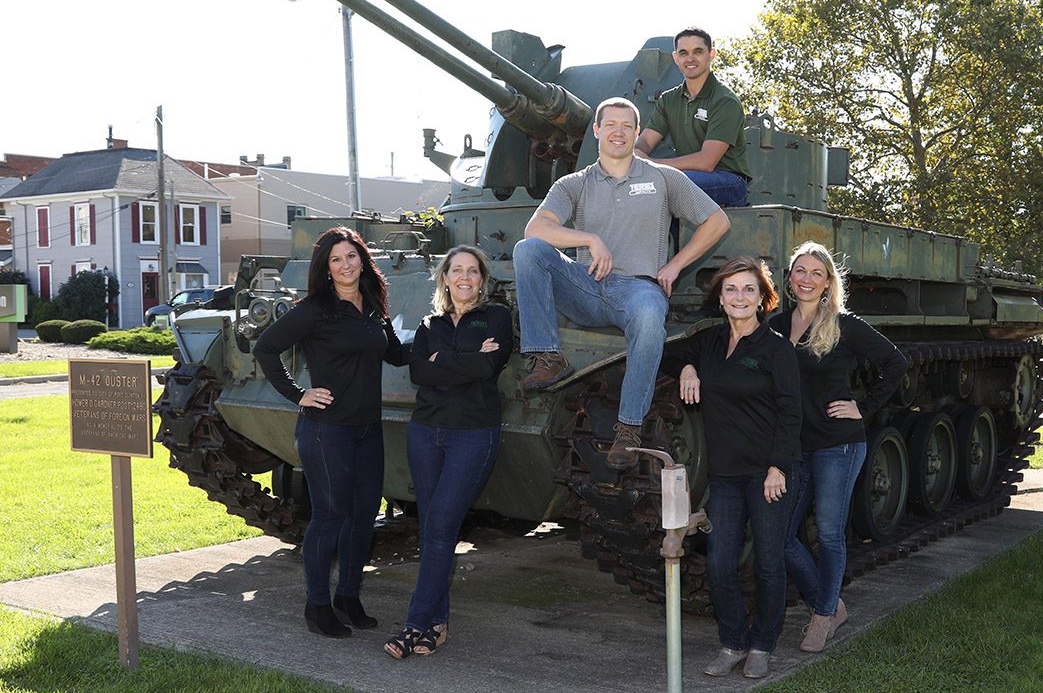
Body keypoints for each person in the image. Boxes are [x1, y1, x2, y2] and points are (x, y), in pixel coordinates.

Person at [514, 96, 730, 470]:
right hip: (587, 285)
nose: (618, 132)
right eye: (610, 125)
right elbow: (537, 229)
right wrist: (589, 239)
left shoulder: (662, 178)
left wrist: (675, 265)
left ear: (636, 133)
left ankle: (628, 429)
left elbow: (717, 221)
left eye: (626, 126)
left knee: (649, 318)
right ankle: (548, 356)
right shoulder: (574, 184)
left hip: (638, 289)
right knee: (528, 249)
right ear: (597, 131)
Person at [253, 226, 406, 639]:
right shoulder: (315, 310)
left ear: (363, 260)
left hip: (366, 429)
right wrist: (298, 394)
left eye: (351, 256)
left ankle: (349, 597)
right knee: (330, 518)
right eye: (336, 259)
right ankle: (317, 606)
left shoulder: (373, 305)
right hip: (326, 431)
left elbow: (395, 353)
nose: (345, 265)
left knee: (362, 517)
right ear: (325, 267)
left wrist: (445, 336)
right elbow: (264, 347)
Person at [663, 257, 801, 680]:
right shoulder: (709, 342)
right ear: (720, 299)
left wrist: (778, 467)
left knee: (768, 562)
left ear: (762, 299)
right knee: (720, 563)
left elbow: (791, 413)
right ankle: (733, 641)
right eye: (731, 290)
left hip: (767, 473)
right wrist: (687, 368)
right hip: (724, 475)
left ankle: (762, 645)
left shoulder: (776, 349)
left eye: (748, 290)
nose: (739, 297)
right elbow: (673, 353)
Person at [772, 242, 908, 653]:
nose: (807, 279)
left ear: (829, 282)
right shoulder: (776, 325)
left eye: (816, 272)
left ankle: (823, 617)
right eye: (800, 270)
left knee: (829, 533)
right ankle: (828, 603)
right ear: (790, 277)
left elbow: (895, 362)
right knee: (779, 535)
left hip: (837, 444)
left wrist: (862, 408)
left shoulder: (844, 325)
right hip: (794, 447)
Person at [385, 245, 513, 659]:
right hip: (425, 432)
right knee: (432, 529)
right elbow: (419, 371)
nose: (464, 277)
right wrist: (468, 357)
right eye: (456, 270)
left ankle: (414, 624)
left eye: (472, 271)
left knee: (440, 527)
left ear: (482, 279)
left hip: (473, 435)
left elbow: (487, 369)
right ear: (445, 277)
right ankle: (436, 624)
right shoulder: (429, 322)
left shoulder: (495, 317)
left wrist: (446, 359)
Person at [634, 27, 751, 208]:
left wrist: (654, 164)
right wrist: (635, 154)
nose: (690, 59)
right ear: (676, 58)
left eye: (698, 52)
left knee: (665, 183)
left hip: (729, 181)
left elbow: (707, 162)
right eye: (683, 53)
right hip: (685, 175)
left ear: (711, 54)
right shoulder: (668, 100)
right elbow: (646, 142)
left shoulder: (725, 101)